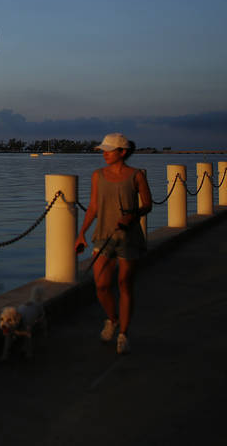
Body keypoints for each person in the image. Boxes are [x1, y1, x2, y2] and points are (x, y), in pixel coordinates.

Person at [74, 133, 152, 354]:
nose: (105, 153)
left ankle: (123, 334)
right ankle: (113, 319)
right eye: (104, 150)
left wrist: (132, 215)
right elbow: (93, 207)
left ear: (123, 152)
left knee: (125, 285)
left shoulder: (136, 176)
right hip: (103, 236)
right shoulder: (98, 175)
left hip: (129, 238)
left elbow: (147, 204)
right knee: (100, 285)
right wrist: (81, 233)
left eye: (109, 150)